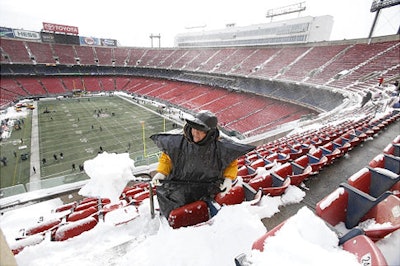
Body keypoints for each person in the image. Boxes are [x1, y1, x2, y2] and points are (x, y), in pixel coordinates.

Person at [150, 110, 255, 218]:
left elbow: (230, 162)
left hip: (206, 190)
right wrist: (161, 172)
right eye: (194, 128)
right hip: (179, 188)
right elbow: (167, 158)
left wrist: (228, 178)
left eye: (200, 131)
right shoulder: (178, 142)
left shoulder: (219, 146)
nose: (195, 133)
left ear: (209, 132)